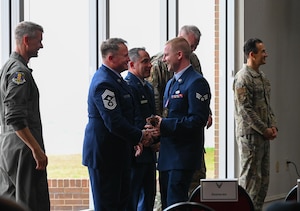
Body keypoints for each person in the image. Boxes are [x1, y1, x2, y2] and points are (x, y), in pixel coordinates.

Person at [82, 38, 155, 211]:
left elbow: (126, 116)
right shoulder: (104, 83)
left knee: (122, 204)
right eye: (124, 56)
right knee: (108, 205)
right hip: (105, 154)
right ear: (110, 58)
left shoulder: (117, 80)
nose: (128, 60)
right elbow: (114, 122)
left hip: (118, 153)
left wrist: (134, 140)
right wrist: (139, 136)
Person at [147, 25, 212, 195]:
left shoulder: (196, 82)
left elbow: (197, 120)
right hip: (167, 156)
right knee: (167, 204)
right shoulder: (171, 83)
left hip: (183, 157)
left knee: (178, 204)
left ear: (179, 55)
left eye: (167, 55)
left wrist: (165, 125)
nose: (163, 59)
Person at [0, 21, 50, 211]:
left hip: (8, 147)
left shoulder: (7, 67)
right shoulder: (19, 72)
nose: (41, 46)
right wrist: (36, 149)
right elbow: (14, 116)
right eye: (39, 41)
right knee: (31, 203)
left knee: (13, 200)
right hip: (22, 149)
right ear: (27, 40)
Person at [233, 38, 278, 211]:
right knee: (251, 183)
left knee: (263, 183)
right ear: (252, 54)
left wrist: (273, 126)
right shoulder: (243, 78)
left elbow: (267, 106)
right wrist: (264, 129)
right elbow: (246, 110)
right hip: (250, 138)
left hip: (264, 136)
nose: (266, 54)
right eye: (263, 51)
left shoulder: (263, 78)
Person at [124, 47, 158, 211]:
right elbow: (132, 119)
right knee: (132, 198)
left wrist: (156, 139)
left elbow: (150, 117)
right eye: (144, 61)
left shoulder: (148, 87)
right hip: (136, 152)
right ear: (131, 64)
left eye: (149, 61)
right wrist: (146, 139)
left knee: (148, 198)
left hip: (149, 153)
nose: (150, 65)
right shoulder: (128, 86)